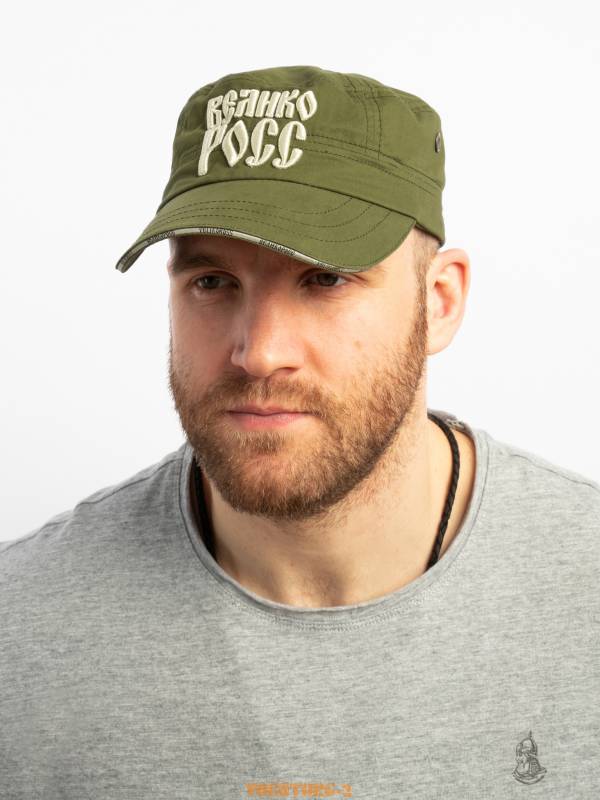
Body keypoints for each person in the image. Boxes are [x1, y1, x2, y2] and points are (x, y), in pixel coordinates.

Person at [1, 66, 598, 799]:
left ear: (439, 302)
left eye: (325, 279)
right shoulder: (22, 631)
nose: (259, 352)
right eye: (212, 282)